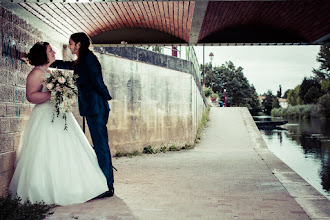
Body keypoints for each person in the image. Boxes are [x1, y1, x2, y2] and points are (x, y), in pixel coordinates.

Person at [9, 42, 109, 206]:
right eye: (50, 50)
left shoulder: (49, 72)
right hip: (44, 117)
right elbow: (31, 96)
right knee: (46, 150)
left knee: (67, 149)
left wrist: (62, 93)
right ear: (43, 54)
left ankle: (73, 186)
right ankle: (45, 190)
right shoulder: (35, 73)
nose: (54, 51)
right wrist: (52, 94)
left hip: (60, 115)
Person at [51, 32, 114, 198]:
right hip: (92, 107)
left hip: (97, 107)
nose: (70, 47)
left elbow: (97, 81)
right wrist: (49, 62)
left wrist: (105, 97)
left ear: (79, 44)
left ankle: (107, 186)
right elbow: (68, 66)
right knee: (100, 145)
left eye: (71, 43)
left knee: (101, 146)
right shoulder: (82, 60)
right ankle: (105, 184)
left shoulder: (89, 59)